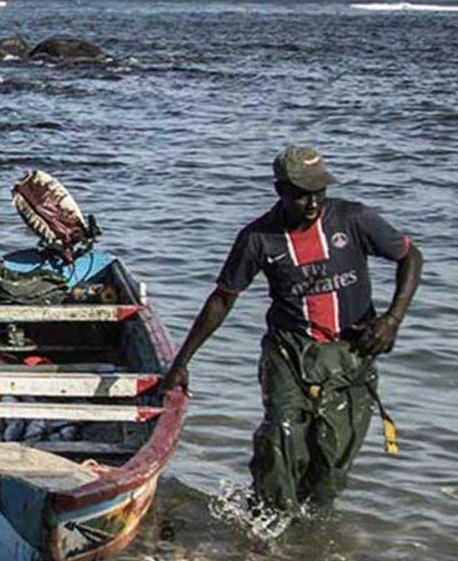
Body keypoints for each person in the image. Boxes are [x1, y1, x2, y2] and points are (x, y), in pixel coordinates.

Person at [161, 146, 423, 512]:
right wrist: (180, 363)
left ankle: (309, 536)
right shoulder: (258, 239)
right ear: (280, 190)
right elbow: (222, 299)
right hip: (289, 353)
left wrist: (392, 320)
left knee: (331, 462)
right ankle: (269, 523)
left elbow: (410, 256)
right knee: (280, 439)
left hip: (350, 357)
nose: (312, 202)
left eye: (319, 191)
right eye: (301, 195)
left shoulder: (354, 220)